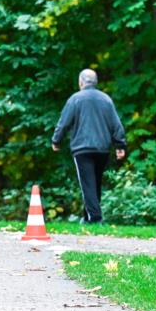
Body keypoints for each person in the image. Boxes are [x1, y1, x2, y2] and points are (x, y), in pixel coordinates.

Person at [52, 68, 127, 223]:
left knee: (87, 184)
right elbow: (116, 124)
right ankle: (88, 217)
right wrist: (120, 145)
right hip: (102, 148)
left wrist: (56, 141)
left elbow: (64, 123)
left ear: (81, 82)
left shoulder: (75, 99)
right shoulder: (106, 99)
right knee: (95, 183)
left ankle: (95, 218)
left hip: (82, 148)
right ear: (95, 82)